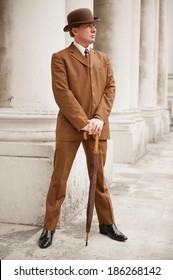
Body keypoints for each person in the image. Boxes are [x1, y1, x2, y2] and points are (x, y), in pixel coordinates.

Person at [38, 8, 127, 248]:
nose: (94, 28)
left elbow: (110, 89)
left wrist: (98, 118)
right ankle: (49, 226)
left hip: (98, 128)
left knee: (99, 179)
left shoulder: (103, 58)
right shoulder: (60, 57)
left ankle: (107, 223)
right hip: (70, 127)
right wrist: (83, 121)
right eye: (88, 25)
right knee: (59, 178)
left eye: (93, 24)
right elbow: (62, 93)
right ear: (75, 31)